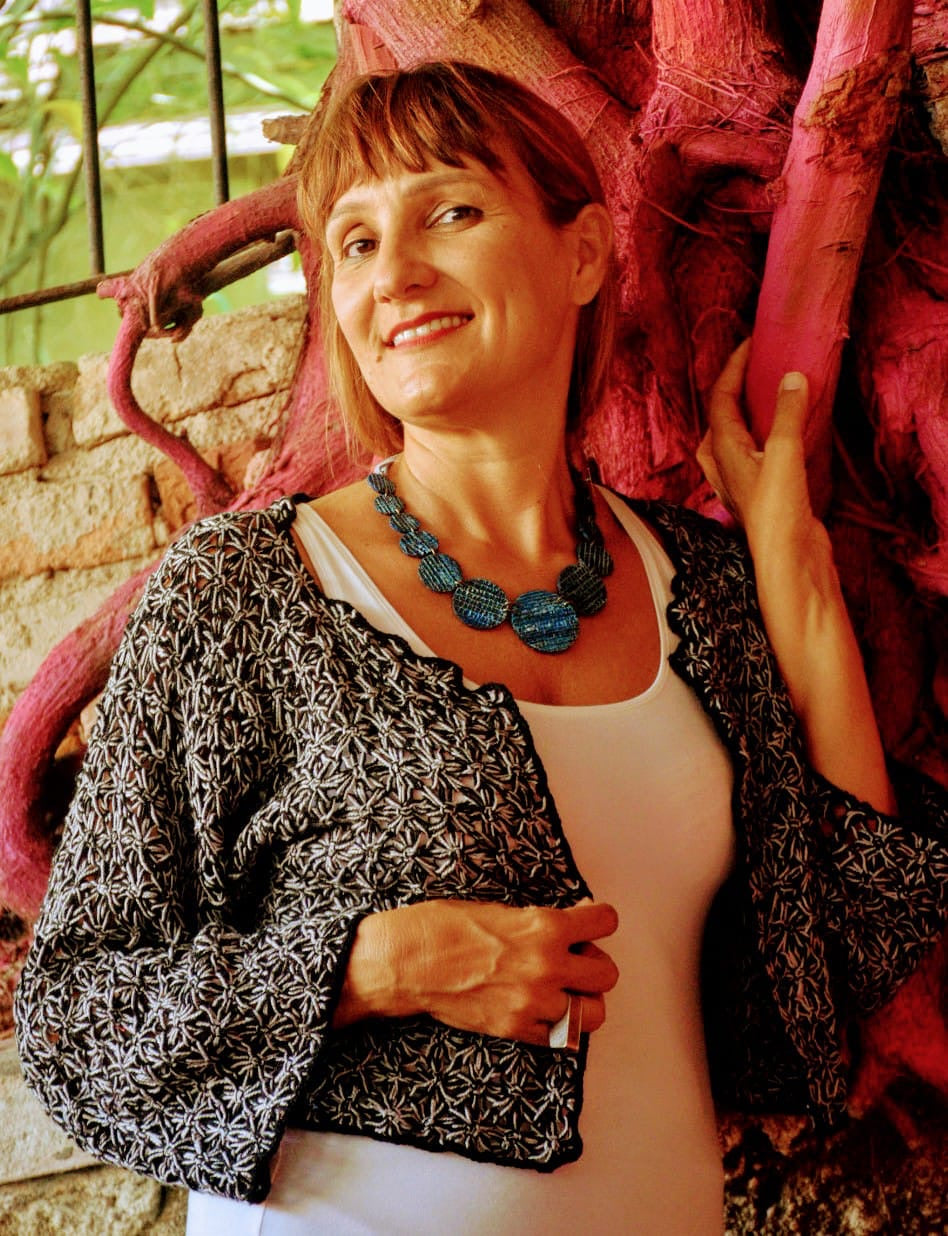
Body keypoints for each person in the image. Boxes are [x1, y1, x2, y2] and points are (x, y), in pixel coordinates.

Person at [14, 61, 946, 1236]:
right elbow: (78, 1029)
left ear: (584, 253)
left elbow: (844, 940)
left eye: (450, 211)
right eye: (355, 242)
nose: (394, 274)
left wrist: (793, 572)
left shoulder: (699, 589)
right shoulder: (246, 592)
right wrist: (372, 967)